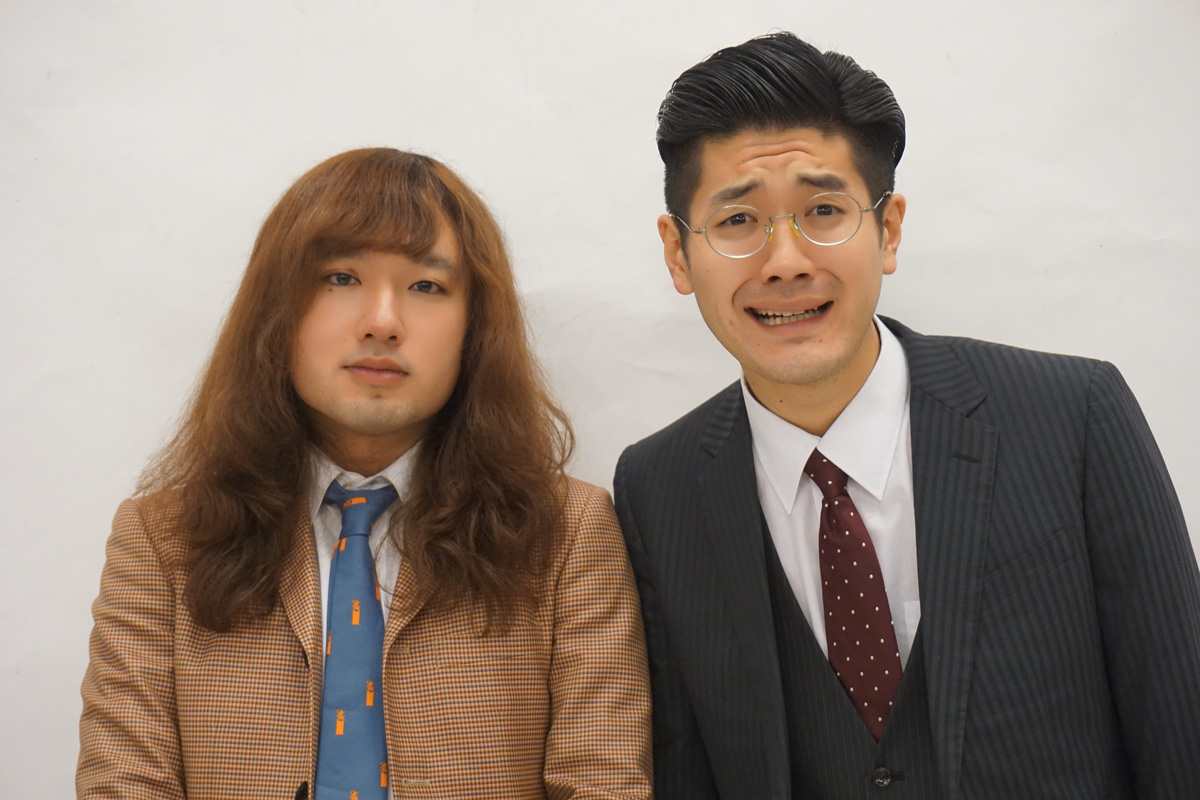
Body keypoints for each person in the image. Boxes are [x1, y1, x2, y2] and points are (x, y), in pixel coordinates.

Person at [614, 32, 1200, 800]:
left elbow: (1181, 730)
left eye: (824, 210)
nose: (785, 261)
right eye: (737, 222)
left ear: (887, 230)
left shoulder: (1075, 417)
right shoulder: (657, 487)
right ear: (677, 253)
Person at [78, 148, 652, 799]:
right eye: (341, 277)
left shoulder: (568, 534)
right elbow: (123, 783)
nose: (382, 322)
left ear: (475, 328)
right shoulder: (161, 540)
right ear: (276, 310)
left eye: (426, 286)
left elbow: (604, 782)